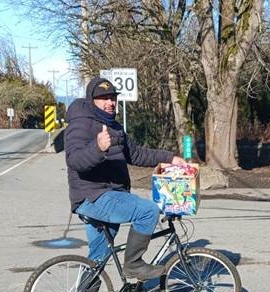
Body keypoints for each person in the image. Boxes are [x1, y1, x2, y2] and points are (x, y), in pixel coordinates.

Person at [65, 76, 183, 280]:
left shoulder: (114, 126)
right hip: (93, 195)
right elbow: (74, 160)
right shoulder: (81, 124)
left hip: (109, 194)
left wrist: (169, 157)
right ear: (92, 100)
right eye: (104, 98)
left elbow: (136, 154)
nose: (110, 102)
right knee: (148, 211)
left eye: (113, 98)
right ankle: (134, 264)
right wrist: (98, 148)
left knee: (98, 258)